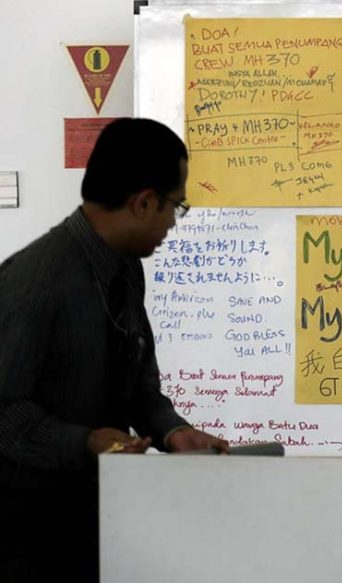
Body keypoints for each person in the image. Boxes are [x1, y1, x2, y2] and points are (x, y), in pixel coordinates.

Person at [0, 118, 228, 581]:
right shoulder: (32, 284)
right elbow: (4, 413)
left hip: (99, 517)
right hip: (28, 535)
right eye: (175, 207)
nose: (173, 223)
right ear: (144, 203)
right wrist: (85, 441)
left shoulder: (125, 269)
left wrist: (171, 432)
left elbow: (140, 381)